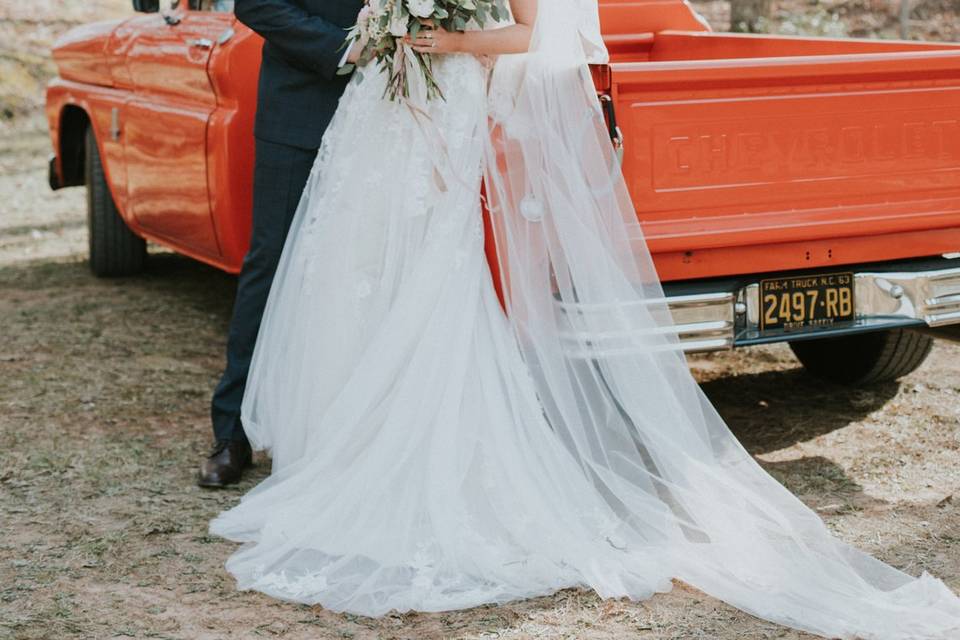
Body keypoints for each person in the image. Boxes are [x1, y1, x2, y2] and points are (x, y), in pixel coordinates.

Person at [210, 0, 960, 636]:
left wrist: (434, 38)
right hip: (364, 107)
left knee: (428, 280)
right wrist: (385, 38)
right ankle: (266, 430)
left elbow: (527, 33)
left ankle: (388, 438)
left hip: (445, 95)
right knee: (324, 269)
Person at [199, 0, 364, 488]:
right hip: (300, 109)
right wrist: (346, 47)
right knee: (270, 267)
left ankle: (354, 429)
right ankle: (233, 433)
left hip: (395, 111)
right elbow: (257, 3)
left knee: (371, 267)